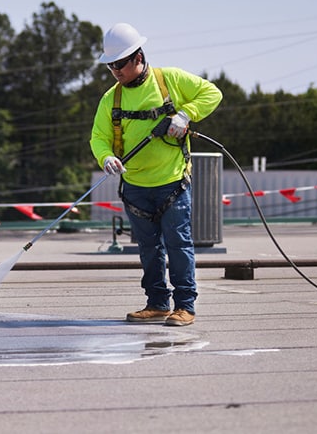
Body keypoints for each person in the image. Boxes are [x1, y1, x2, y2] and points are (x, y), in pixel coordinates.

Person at [90, 23, 222, 326]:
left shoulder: (170, 80)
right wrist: (106, 156)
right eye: (110, 65)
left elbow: (212, 93)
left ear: (138, 57)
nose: (115, 71)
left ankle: (185, 306)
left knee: (178, 244)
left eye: (120, 63)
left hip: (172, 183)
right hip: (135, 186)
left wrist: (185, 114)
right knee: (149, 249)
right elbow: (98, 136)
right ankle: (158, 303)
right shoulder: (112, 99)